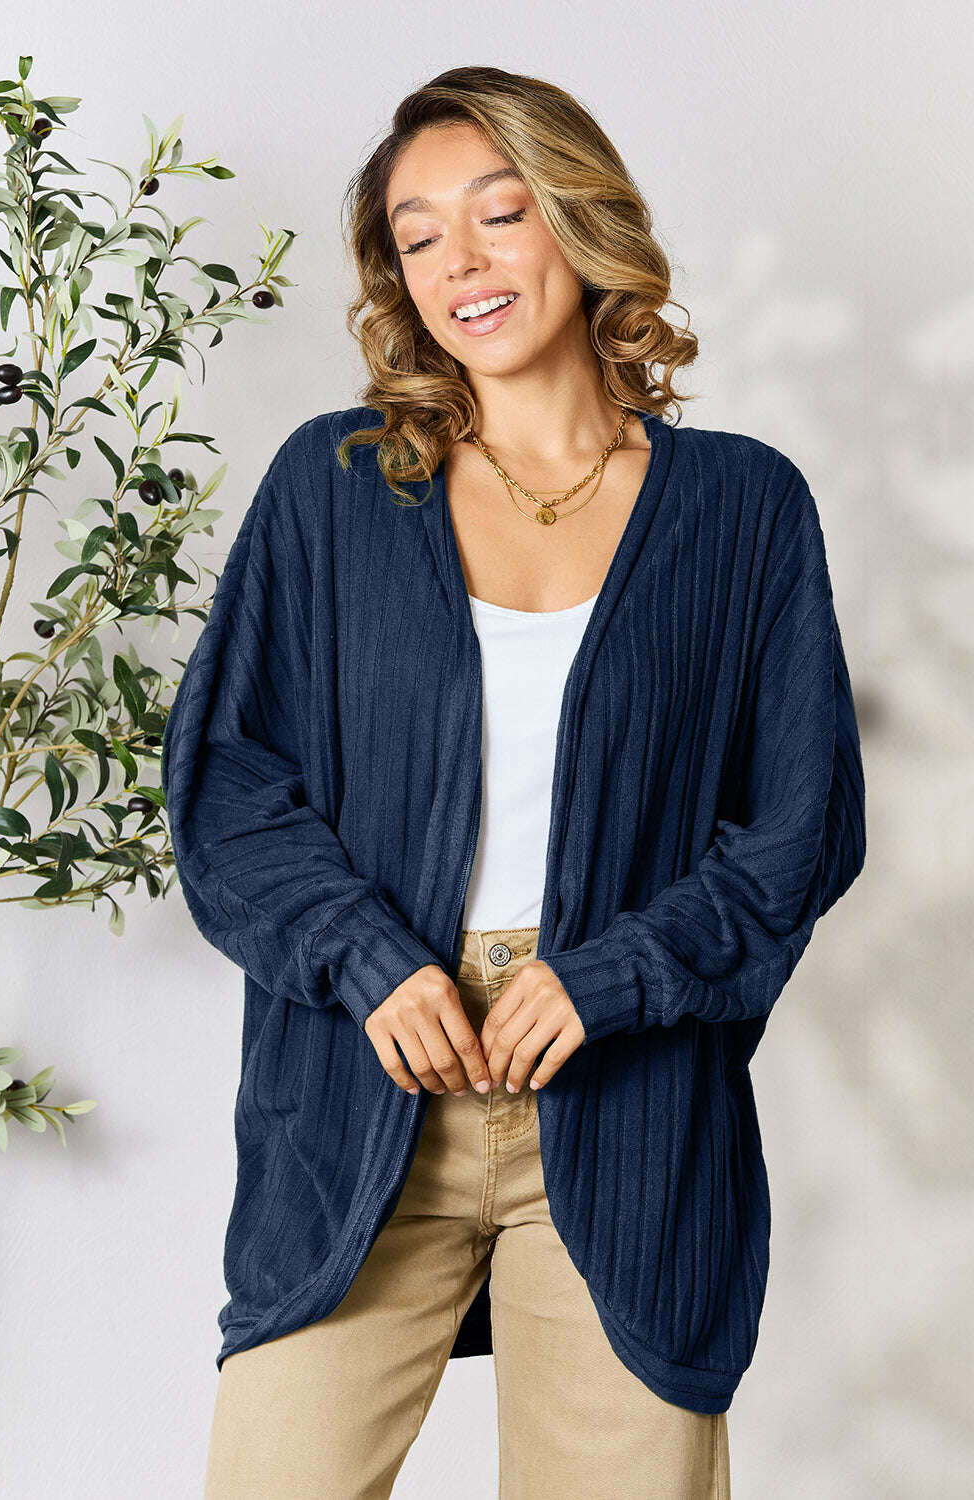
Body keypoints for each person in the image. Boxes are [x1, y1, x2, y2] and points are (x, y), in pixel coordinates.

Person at [162, 65, 866, 1500]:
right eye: (418, 236)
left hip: (628, 1101)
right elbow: (227, 783)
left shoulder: (742, 507)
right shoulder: (336, 487)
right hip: (366, 1079)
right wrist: (368, 960)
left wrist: (611, 978)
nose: (460, 265)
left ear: (578, 217)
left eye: (499, 214)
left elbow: (800, 827)